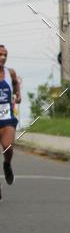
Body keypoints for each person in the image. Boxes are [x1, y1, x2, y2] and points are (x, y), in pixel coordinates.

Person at [0, 45, 20, 200]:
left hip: (7, 119)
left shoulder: (9, 72)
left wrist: (18, 94)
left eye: (5, 54)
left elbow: (15, 83)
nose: (2, 57)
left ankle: (7, 164)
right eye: (0, 54)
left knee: (8, 147)